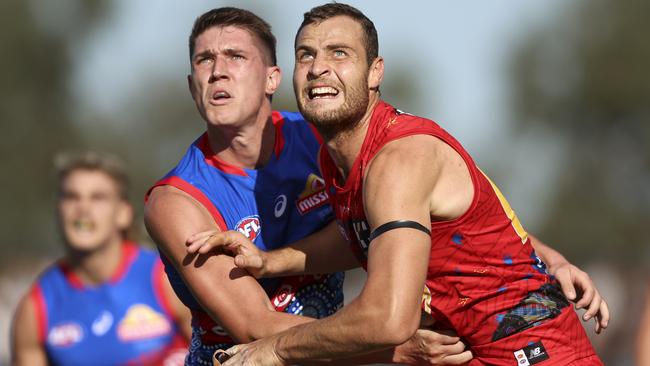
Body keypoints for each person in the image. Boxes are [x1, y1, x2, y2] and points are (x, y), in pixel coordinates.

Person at [189, 3, 611, 365]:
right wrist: (272, 261)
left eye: (340, 54)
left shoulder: (397, 160)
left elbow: (388, 318)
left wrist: (276, 349)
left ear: (375, 73)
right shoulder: (333, 155)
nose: (319, 68)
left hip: (532, 352)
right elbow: (376, 233)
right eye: (307, 55)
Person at [144, 7, 472, 366]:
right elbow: (255, 327)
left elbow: (417, 206)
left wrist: (530, 247)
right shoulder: (175, 201)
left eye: (235, 56)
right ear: (193, 86)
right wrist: (397, 349)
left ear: (273, 79)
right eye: (204, 60)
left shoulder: (322, 140)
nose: (218, 72)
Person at [10, 151, 191, 366]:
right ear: (58, 210)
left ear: (123, 213)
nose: (83, 209)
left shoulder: (167, 279)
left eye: (98, 198)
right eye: (71, 197)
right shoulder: (36, 308)